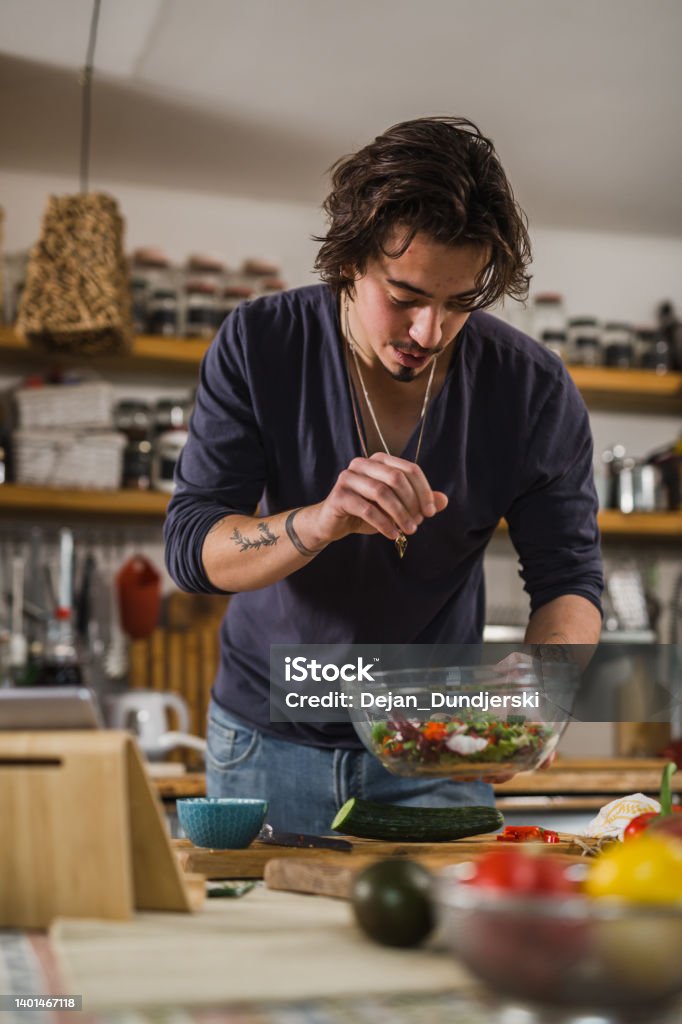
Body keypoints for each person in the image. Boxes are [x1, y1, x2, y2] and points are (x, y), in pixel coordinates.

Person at [164, 116, 603, 833]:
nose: (430, 332)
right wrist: (321, 522)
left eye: (460, 304)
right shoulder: (260, 343)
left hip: (436, 750)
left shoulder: (532, 388)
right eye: (405, 297)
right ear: (349, 262)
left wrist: (541, 688)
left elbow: (570, 579)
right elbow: (192, 550)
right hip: (266, 740)